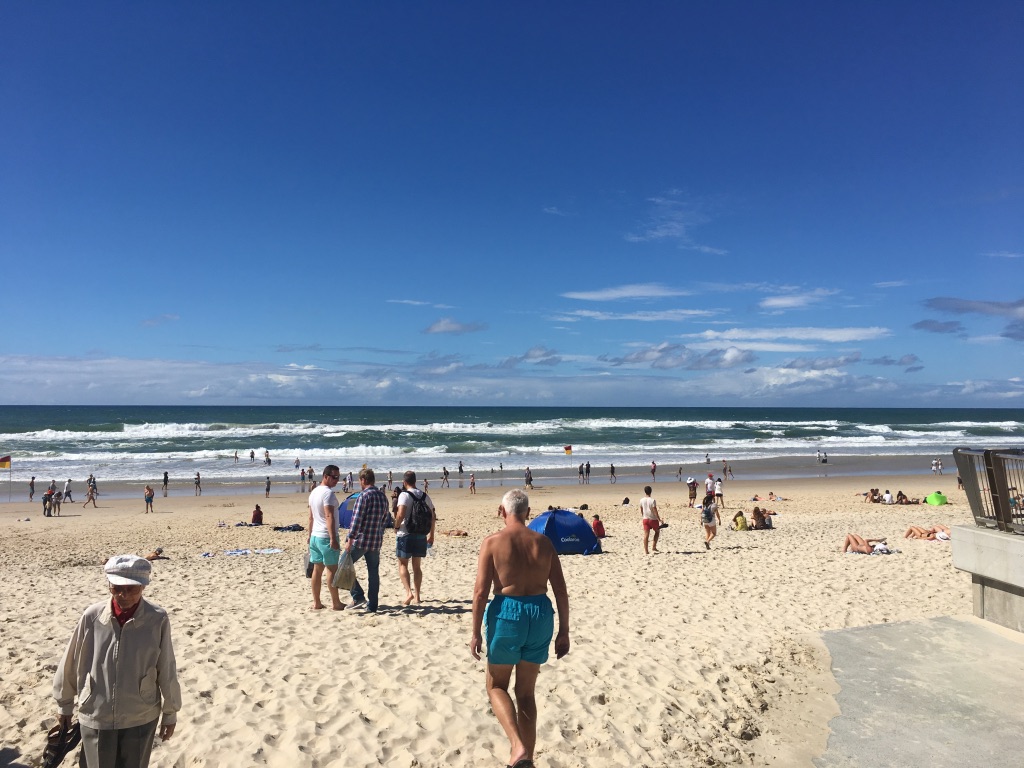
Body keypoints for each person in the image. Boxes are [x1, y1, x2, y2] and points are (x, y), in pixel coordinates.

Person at [470, 489, 570, 768]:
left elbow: (480, 593)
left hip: (507, 613)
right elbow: (560, 590)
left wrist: (475, 632)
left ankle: (517, 747)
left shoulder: (492, 542)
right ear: (528, 512)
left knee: (496, 686)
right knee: (526, 693)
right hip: (540, 613)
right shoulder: (544, 542)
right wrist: (564, 631)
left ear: (502, 511)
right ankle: (528, 759)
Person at [53, 554, 181, 768]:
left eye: (132, 589)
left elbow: (166, 666)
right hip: (96, 712)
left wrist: (170, 712)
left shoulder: (157, 618)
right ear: (109, 585)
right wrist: (64, 704)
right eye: (117, 588)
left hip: (140, 713)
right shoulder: (92, 616)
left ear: (143, 586)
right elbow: (71, 661)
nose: (124, 595)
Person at [345, 468, 390, 612]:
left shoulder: (363, 496)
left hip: (361, 540)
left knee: (343, 565)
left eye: (360, 480)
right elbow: (385, 519)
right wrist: (379, 532)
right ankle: (372, 604)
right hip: (375, 540)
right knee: (373, 573)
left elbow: (356, 520)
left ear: (363, 480)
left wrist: (350, 539)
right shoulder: (383, 497)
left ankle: (358, 595)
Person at [395, 470, 436, 606]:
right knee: (417, 567)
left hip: (405, 534)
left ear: (404, 482)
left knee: (403, 564)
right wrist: (432, 535)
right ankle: (417, 596)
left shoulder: (404, 495)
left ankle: (409, 593)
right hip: (420, 534)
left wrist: (396, 526)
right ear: (415, 481)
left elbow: (400, 514)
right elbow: (433, 516)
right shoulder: (424, 496)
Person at [307, 465, 343, 611]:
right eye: (334, 477)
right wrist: (333, 538)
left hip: (315, 536)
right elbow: (329, 516)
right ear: (326, 476)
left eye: (338, 477)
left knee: (317, 569)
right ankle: (336, 603)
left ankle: (317, 603)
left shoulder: (314, 492)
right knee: (332, 570)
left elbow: (311, 518)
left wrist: (309, 536)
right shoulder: (328, 493)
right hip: (325, 537)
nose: (336, 480)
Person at [640, 485, 661, 554]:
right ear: (651, 491)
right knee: (657, 532)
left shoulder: (641, 500)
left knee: (646, 535)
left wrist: (643, 516)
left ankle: (646, 551)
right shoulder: (652, 500)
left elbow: (641, 510)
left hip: (645, 519)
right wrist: (659, 519)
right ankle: (654, 547)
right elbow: (655, 511)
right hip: (653, 519)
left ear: (645, 492)